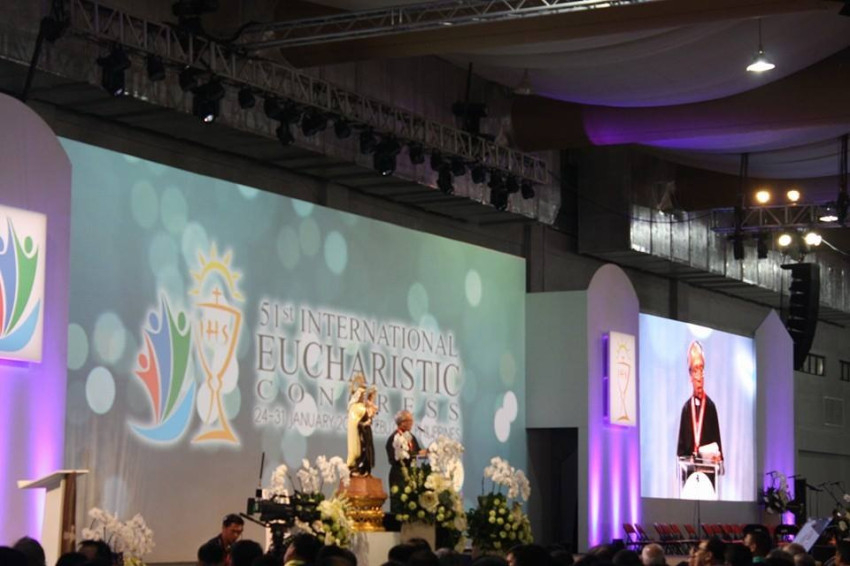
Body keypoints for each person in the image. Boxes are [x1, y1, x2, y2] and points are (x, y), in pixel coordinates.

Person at [676, 341, 723, 485]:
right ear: (690, 374)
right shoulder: (686, 409)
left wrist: (718, 458)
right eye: (695, 370)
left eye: (701, 368)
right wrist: (688, 459)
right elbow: (681, 452)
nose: (699, 376)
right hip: (690, 478)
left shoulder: (710, 407)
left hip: (708, 478)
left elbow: (718, 447)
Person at [386, 409, 426, 510]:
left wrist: (428, 452)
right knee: (399, 505)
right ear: (402, 422)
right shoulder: (394, 438)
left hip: (411, 474)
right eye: (409, 421)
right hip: (399, 475)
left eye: (412, 420)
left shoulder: (410, 437)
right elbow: (394, 458)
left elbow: (417, 451)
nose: (412, 423)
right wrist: (414, 455)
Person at [347, 373, 377, 475]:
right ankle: (358, 468)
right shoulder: (355, 407)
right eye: (362, 395)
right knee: (362, 451)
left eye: (364, 395)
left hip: (366, 432)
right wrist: (364, 423)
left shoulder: (363, 407)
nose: (363, 397)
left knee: (367, 451)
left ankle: (366, 469)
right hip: (360, 433)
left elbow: (368, 416)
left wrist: (369, 419)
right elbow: (355, 422)